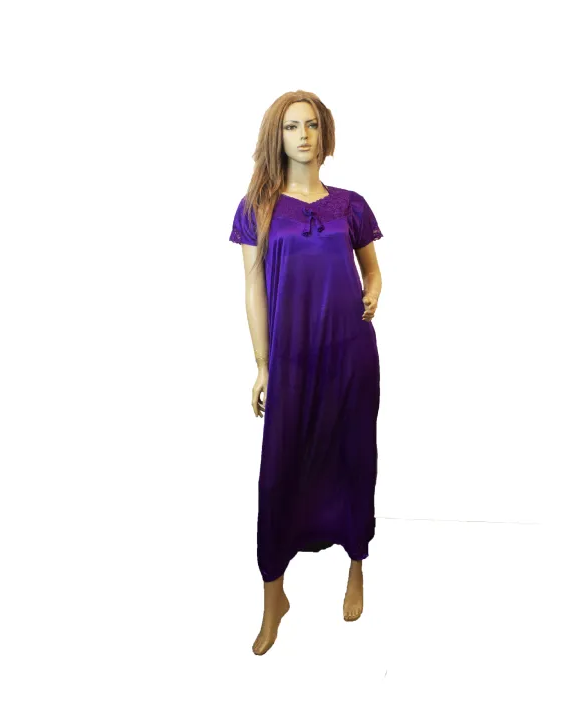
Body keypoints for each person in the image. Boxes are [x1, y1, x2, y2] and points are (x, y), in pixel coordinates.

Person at [228, 91, 384, 655]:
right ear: (277, 135)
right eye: (292, 126)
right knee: (279, 473)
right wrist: (262, 363)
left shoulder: (350, 205)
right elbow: (252, 287)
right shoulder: (258, 207)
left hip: (349, 353)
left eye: (312, 125)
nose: (303, 135)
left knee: (353, 458)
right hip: (291, 359)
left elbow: (372, 269)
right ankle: (274, 597)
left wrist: (373, 291)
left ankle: (357, 563)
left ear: (325, 134)